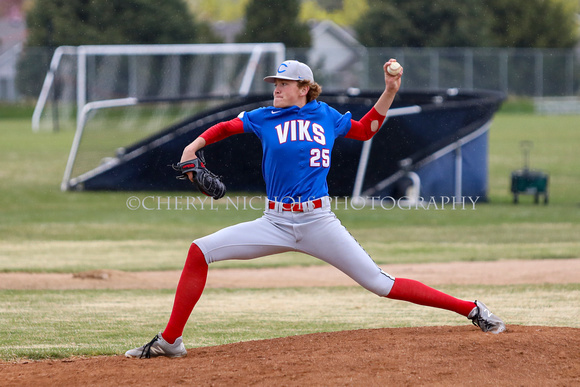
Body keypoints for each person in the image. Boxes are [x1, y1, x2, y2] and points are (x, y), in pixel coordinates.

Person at [125, 59, 506, 359]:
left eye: (283, 83)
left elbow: (366, 129)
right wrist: (192, 149)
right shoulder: (263, 117)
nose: (276, 88)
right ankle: (170, 341)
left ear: (304, 88)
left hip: (317, 220)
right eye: (274, 83)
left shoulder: (325, 115)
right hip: (273, 222)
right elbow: (223, 128)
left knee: (380, 284)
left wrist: (390, 91)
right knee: (199, 251)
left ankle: (471, 309)